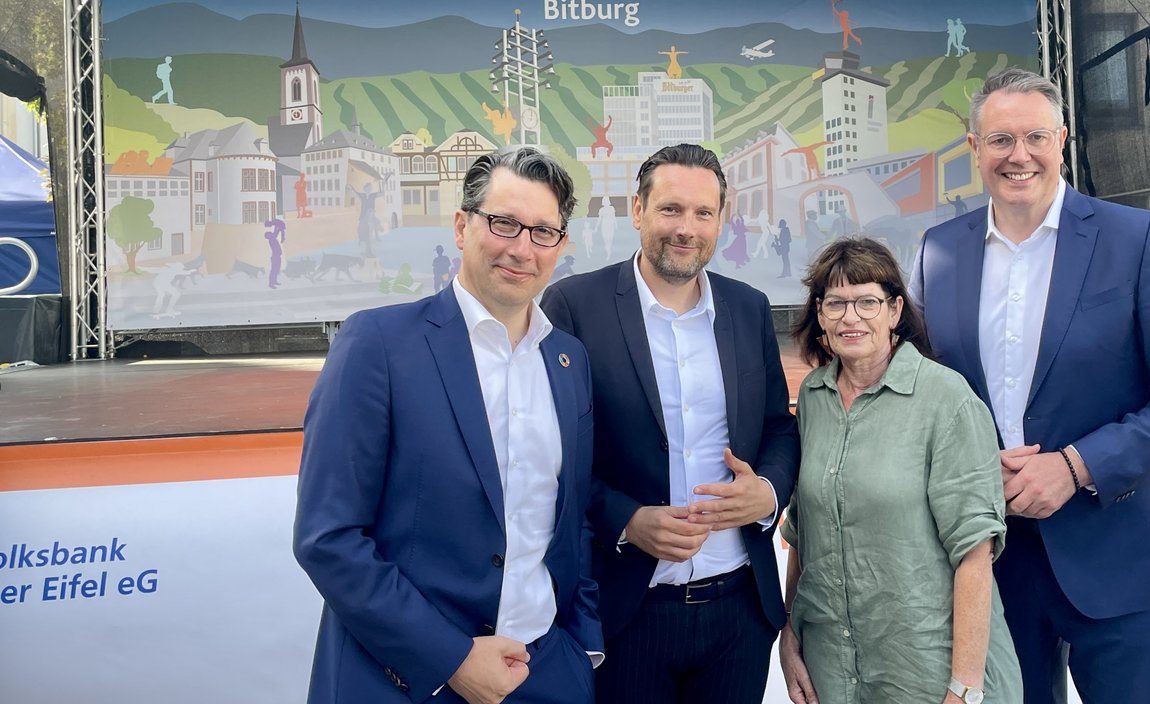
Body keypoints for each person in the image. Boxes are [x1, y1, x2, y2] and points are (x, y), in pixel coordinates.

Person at [910, 68, 1150, 704]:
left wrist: (1076, 465)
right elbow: (918, 399)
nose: (1019, 155)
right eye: (1000, 139)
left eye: (1035, 136)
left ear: (1061, 140)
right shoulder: (937, 252)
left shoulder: (1131, 239)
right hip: (988, 566)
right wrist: (971, 466)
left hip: (1119, 562)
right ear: (974, 148)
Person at [294, 146, 602, 704]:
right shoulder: (378, 345)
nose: (521, 248)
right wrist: (451, 658)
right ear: (462, 227)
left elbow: (569, 517)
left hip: (546, 672)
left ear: (561, 246)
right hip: (407, 680)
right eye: (504, 223)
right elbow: (328, 538)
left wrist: (582, 650)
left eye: (543, 232)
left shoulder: (569, 360)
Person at [542, 143, 799, 704]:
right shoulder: (573, 305)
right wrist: (627, 520)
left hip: (739, 611)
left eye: (703, 213)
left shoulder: (748, 307)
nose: (687, 228)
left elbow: (778, 428)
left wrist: (768, 492)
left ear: (721, 220)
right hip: (627, 611)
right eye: (671, 209)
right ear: (638, 210)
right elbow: (551, 454)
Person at [780, 237, 1021, 704]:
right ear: (820, 315)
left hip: (928, 671)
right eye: (836, 303)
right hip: (833, 672)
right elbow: (802, 531)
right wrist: (790, 635)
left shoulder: (947, 399)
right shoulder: (812, 397)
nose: (850, 317)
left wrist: (964, 689)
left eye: (867, 301)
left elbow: (975, 552)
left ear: (894, 311)